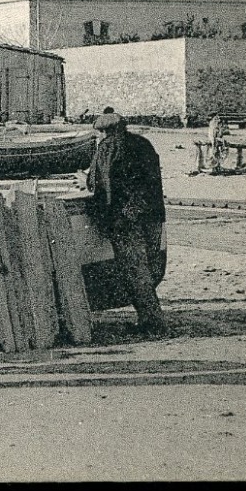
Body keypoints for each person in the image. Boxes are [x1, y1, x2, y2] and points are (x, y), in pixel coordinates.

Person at [88, 112, 168, 337]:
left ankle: (153, 322)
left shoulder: (106, 148)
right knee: (148, 269)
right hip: (152, 216)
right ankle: (150, 318)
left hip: (126, 219)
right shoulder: (143, 143)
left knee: (135, 271)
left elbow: (96, 183)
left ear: (105, 131)